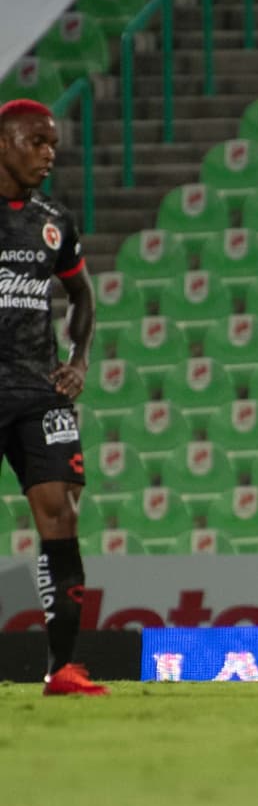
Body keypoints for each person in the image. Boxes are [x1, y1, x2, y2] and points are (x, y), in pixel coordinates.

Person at [0, 100, 103, 695]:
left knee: (61, 513)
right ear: (3, 142)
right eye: (36, 142)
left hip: (40, 391)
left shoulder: (53, 219)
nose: (48, 153)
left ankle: (63, 668)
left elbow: (81, 295)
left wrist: (78, 359)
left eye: (53, 144)